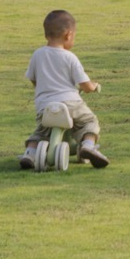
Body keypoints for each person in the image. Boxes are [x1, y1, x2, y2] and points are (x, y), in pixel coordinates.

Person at [17, 9, 110, 169]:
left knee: (40, 132)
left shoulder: (37, 55)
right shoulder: (70, 57)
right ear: (68, 35)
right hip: (71, 103)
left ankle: (30, 153)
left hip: (45, 106)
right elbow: (85, 86)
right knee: (88, 122)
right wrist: (93, 86)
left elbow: (33, 79)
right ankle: (87, 145)